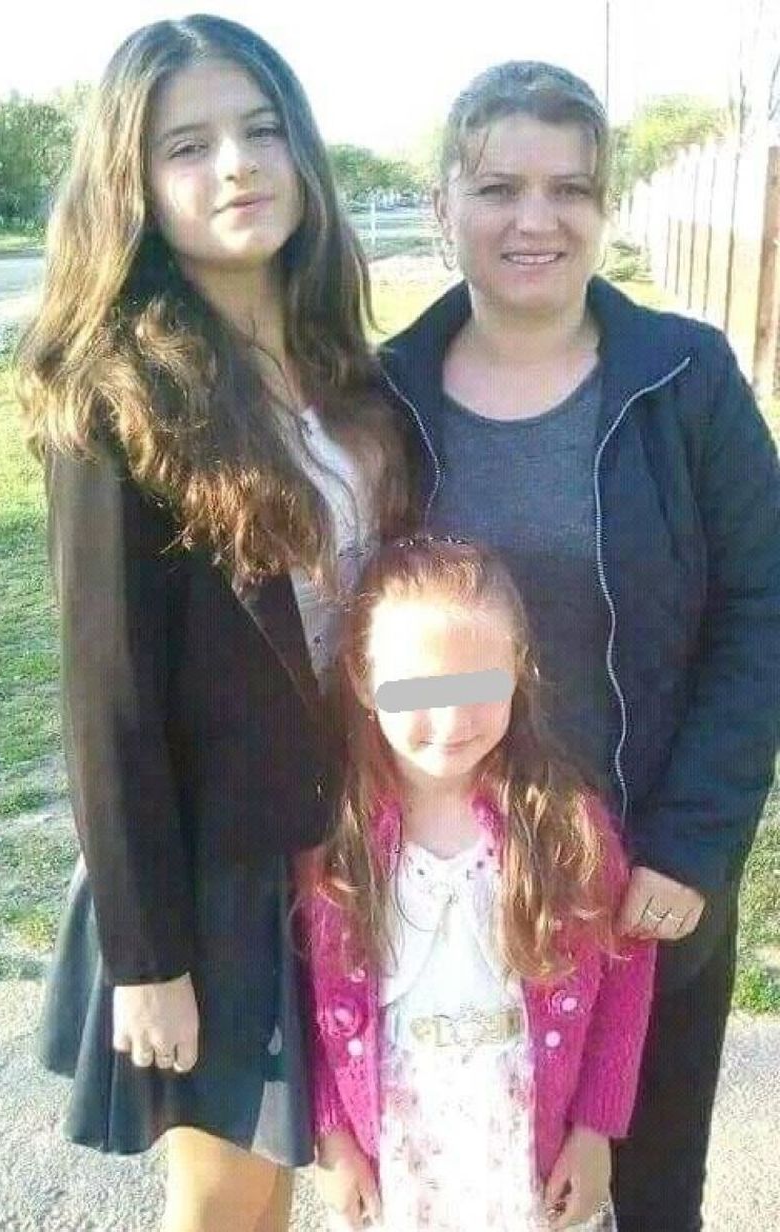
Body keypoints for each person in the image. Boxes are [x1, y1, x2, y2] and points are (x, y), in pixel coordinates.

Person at [15, 15, 418, 1232]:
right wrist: (150, 956)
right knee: (232, 1200)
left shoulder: (347, 369)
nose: (235, 164)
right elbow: (109, 700)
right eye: (186, 146)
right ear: (133, 184)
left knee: (349, 1163)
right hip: (218, 875)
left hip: (363, 833)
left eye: (259, 129)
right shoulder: (116, 396)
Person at [377, 61, 780, 1232]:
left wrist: (688, 845)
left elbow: (760, 609)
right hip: (442, 892)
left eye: (569, 188)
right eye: (498, 187)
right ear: (444, 203)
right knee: (459, 1197)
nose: (535, 219)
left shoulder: (686, 379)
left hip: (639, 878)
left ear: (605, 206)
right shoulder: (382, 395)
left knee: (648, 1197)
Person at [299, 535, 656, 1231]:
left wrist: (596, 1129)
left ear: (518, 671)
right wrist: (331, 1137)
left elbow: (626, 970)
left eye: (479, 686)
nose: (453, 722)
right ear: (364, 681)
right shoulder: (334, 843)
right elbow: (305, 996)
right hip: (400, 1178)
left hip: (525, 1173)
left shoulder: (566, 825)